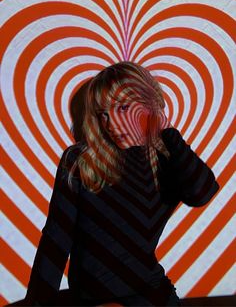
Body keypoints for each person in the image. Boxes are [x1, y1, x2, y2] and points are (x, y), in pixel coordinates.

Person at [23, 62, 219, 306]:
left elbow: (202, 192)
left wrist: (166, 130)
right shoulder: (81, 159)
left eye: (123, 108)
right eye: (103, 114)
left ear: (151, 104)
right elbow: (55, 239)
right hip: (91, 300)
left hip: (152, 296)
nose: (112, 125)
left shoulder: (166, 162)